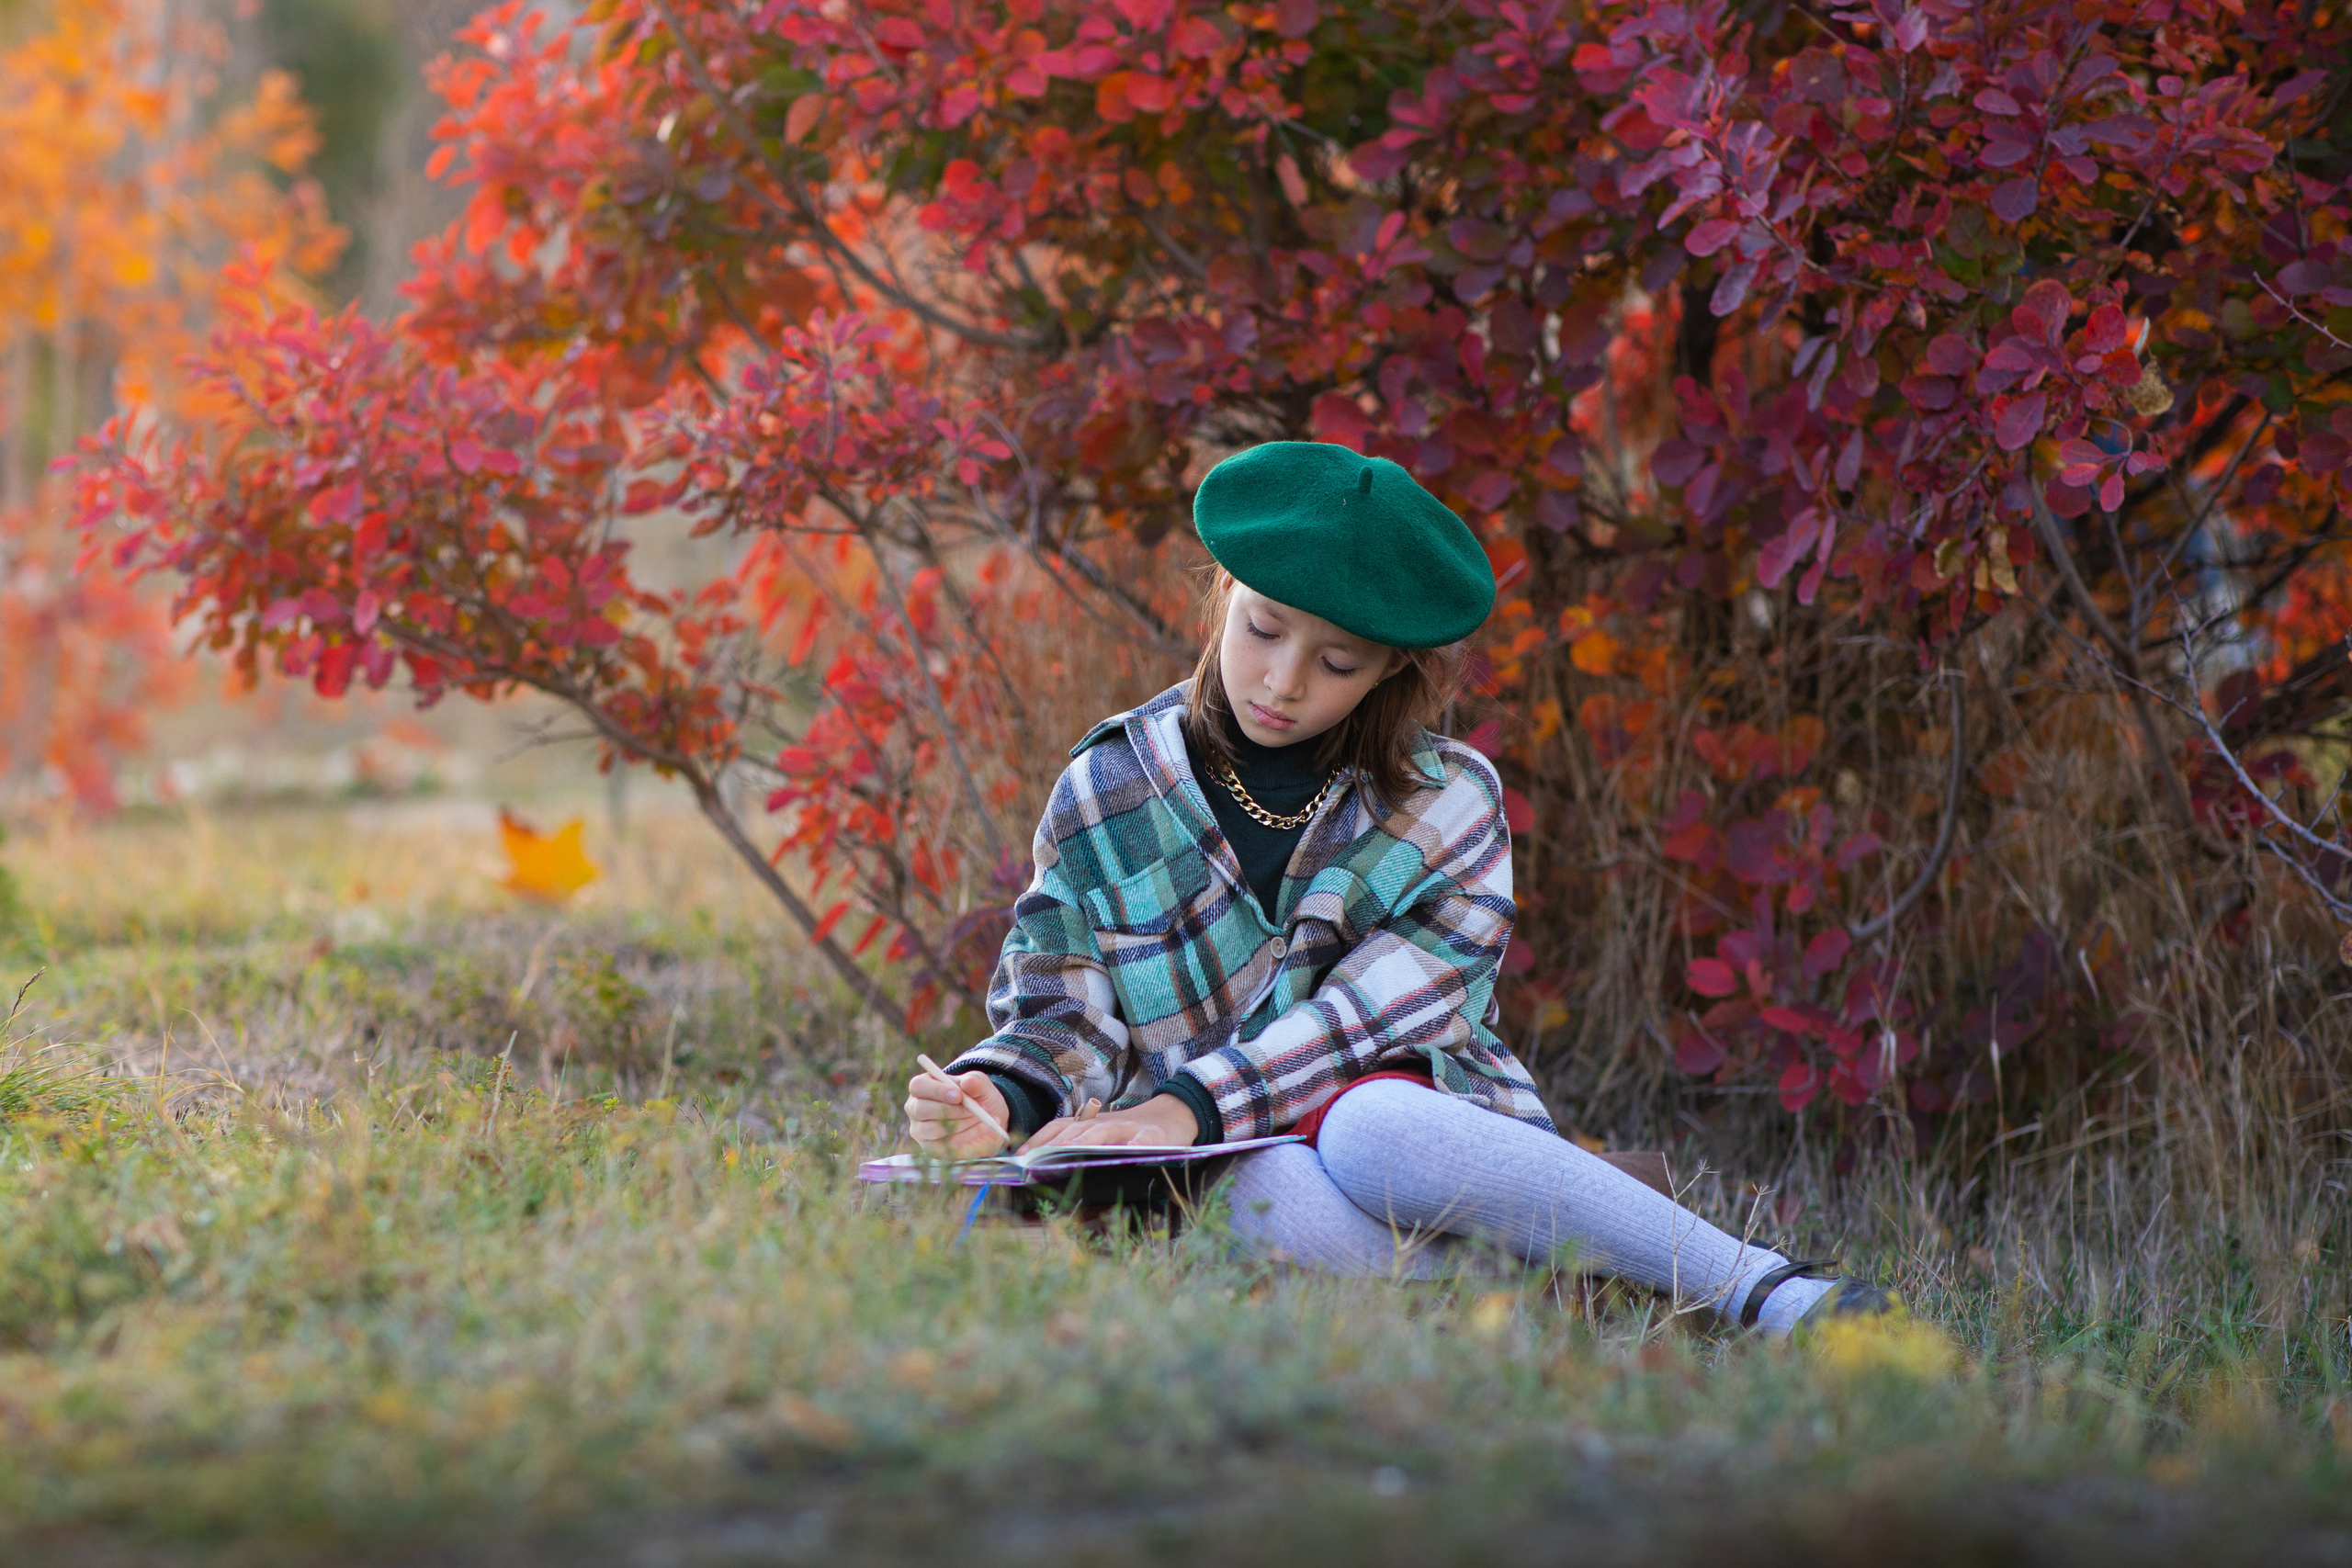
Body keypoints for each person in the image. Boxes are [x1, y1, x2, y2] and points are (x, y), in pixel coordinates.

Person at [903, 441, 1894, 1337]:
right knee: (1257, 1183)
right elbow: (1060, 1011)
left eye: (1335, 662)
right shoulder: (1106, 786)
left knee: (1365, 1127)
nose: (1282, 682)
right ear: (1223, 597)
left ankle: (1768, 1291)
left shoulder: (1446, 802)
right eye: (1262, 629)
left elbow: (1362, 1025)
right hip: (1221, 1155)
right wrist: (1007, 1088)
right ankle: (1554, 1281)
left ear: (1389, 672)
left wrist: (1187, 1103)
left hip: (1411, 1126)